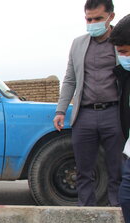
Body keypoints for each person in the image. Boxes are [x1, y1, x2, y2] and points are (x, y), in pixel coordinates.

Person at [53, 0, 123, 206]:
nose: (92, 23)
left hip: (114, 114)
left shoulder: (121, 43)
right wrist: (60, 110)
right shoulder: (78, 44)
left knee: (116, 169)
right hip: (84, 115)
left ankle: (118, 213)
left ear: (110, 16)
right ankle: (86, 213)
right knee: (83, 171)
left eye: (97, 19)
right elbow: (69, 80)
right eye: (88, 19)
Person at [113, 14, 130, 223]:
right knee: (125, 198)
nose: (123, 57)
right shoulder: (124, 77)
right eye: (121, 52)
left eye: (126, 51)